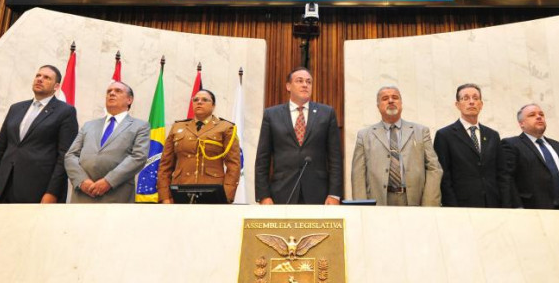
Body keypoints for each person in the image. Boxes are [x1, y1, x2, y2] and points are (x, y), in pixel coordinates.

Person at [0, 65, 78, 204]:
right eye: (38, 76)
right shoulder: (16, 108)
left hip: (37, 190)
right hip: (3, 186)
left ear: (56, 86)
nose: (40, 79)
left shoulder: (65, 112)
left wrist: (52, 192)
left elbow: (65, 156)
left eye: (46, 77)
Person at [255, 67, 343, 205]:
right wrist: (263, 196)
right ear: (288, 86)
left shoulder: (327, 113)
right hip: (281, 192)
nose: (305, 85)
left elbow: (335, 158)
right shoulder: (272, 115)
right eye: (299, 81)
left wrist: (334, 194)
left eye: (309, 82)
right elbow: (262, 159)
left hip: (319, 193)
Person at [351, 86, 442, 206]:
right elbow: (358, 174)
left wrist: (429, 203)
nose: (390, 101)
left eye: (395, 97)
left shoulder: (420, 131)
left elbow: (434, 168)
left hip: (415, 201)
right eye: (385, 98)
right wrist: (361, 206)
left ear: (401, 103)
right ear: (378, 106)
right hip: (378, 202)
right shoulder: (364, 135)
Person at [64, 81, 150, 203]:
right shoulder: (89, 126)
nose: (112, 93)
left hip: (117, 195)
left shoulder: (140, 126)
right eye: (109, 91)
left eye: (118, 91)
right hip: (83, 195)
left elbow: (138, 157)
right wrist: (81, 180)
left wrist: (109, 181)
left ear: (129, 100)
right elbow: (71, 155)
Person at [157, 89, 241, 203]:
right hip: (180, 190)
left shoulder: (226, 128)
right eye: (195, 100)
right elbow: (165, 165)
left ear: (213, 105)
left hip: (213, 191)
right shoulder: (177, 127)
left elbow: (233, 166)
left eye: (205, 100)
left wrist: (226, 195)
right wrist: (165, 196)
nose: (199, 102)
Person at [500, 104, 559, 210]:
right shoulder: (512, 145)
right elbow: (508, 178)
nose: (539, 117)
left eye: (541, 114)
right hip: (536, 211)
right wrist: (517, 207)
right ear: (521, 124)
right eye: (532, 115)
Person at [433, 83, 507, 207]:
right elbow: (444, 176)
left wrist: (505, 204)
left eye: (475, 98)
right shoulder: (445, 135)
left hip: (493, 203)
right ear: (457, 105)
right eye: (465, 98)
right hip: (462, 205)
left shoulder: (493, 135)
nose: (471, 102)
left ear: (481, 104)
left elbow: (502, 173)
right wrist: (452, 206)